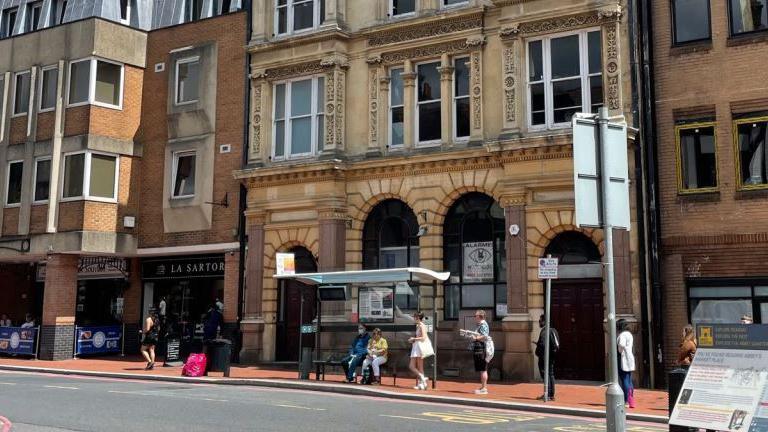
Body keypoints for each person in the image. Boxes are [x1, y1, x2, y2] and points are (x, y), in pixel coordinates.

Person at [534, 314, 559, 401]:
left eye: (540, 321)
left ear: (544, 321)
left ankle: (547, 394)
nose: (539, 322)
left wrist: (538, 353)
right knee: (551, 375)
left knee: (546, 375)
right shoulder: (553, 330)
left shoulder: (544, 331)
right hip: (552, 357)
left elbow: (543, 345)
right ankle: (551, 394)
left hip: (545, 358)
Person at [408, 311, 433, 390]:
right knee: (420, 367)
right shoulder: (419, 325)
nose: (414, 318)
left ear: (418, 318)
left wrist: (414, 339)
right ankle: (422, 384)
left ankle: (422, 378)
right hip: (417, 346)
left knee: (411, 366)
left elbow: (424, 338)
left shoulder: (422, 326)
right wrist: (413, 340)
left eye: (415, 317)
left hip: (418, 347)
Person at [471, 310, 492, 395]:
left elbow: (484, 336)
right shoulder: (481, 324)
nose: (475, 317)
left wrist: (475, 338)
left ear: (480, 316)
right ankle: (483, 386)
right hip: (480, 348)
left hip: (481, 349)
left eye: (476, 315)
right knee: (482, 368)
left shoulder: (483, 324)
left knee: (483, 369)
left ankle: (484, 388)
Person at [617, 319, 636, 409]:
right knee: (629, 379)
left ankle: (626, 400)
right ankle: (631, 400)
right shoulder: (629, 334)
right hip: (629, 358)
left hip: (623, 358)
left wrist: (619, 351)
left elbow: (621, 345)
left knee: (624, 379)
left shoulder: (623, 335)